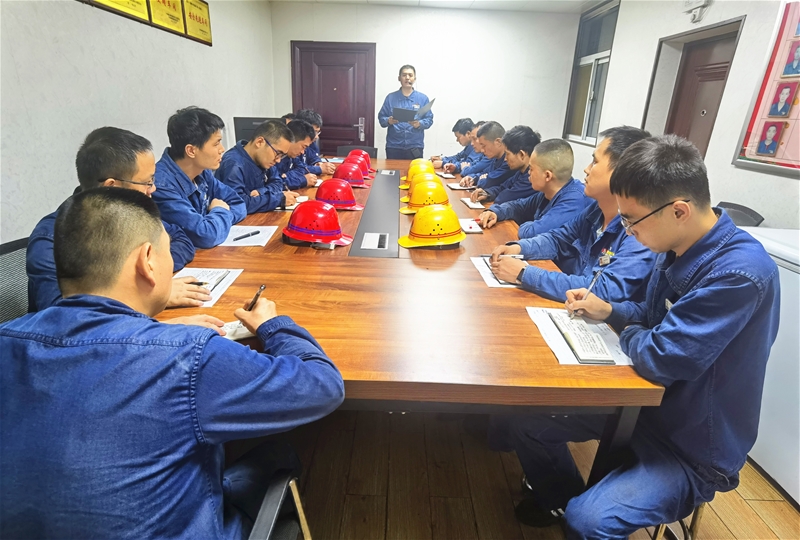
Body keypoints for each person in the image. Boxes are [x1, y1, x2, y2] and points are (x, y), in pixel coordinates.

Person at [1, 188, 345, 538]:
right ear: (148, 260)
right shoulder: (186, 356)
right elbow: (323, 385)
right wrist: (272, 325)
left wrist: (155, 330)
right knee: (277, 454)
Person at [491, 134, 780, 537]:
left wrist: (629, 328)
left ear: (678, 210)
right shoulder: (676, 243)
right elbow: (649, 315)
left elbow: (663, 357)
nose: (627, 232)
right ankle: (564, 499)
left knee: (590, 522)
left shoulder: (737, 274)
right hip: (642, 408)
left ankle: (580, 514)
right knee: (528, 423)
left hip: (690, 443)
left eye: (631, 221)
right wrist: (610, 312)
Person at [26, 127, 215, 317]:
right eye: (147, 182)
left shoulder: (134, 215)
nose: (153, 189)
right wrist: (147, 292)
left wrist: (151, 275)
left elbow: (181, 239)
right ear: (112, 187)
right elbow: (60, 316)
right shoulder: (51, 238)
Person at [490, 126, 656, 302]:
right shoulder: (595, 211)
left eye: (595, 162)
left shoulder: (638, 232)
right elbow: (558, 239)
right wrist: (517, 248)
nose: (586, 169)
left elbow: (602, 290)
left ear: (622, 173)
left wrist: (524, 273)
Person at [152, 107, 247, 249]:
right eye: (216, 143)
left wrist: (216, 220)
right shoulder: (161, 185)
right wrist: (220, 211)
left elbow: (238, 203)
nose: (222, 149)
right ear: (191, 150)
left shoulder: (202, 172)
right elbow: (206, 235)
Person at [478, 138, 592, 239]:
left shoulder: (574, 199)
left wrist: (528, 224)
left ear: (547, 176)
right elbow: (518, 206)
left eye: (531, 169)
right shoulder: (547, 193)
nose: (528, 173)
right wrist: (495, 212)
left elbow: (532, 232)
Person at [216, 120, 298, 214]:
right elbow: (237, 203)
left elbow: (278, 183)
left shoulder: (265, 159)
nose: (278, 160)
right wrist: (278, 199)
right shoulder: (233, 164)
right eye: (278, 153)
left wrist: (262, 192)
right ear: (259, 142)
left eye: (282, 156)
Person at [470, 126, 541, 205]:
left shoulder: (531, 178)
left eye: (507, 154)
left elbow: (503, 198)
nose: (505, 159)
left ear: (521, 154)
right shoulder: (521, 172)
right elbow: (502, 187)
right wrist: (487, 193)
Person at [378, 65, 434, 159]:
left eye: (410, 75)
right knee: (393, 169)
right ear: (399, 78)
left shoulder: (422, 98)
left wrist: (419, 123)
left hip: (415, 146)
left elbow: (429, 119)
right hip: (394, 146)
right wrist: (388, 121)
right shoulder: (390, 98)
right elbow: (381, 118)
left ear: (414, 79)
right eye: (404, 75)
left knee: (415, 168)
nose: (407, 78)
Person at [459, 121, 515, 189]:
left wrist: (482, 179)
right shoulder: (495, 158)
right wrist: (472, 178)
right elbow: (484, 173)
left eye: (484, 146)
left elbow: (487, 183)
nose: (482, 150)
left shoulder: (509, 162)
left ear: (498, 142)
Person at [271, 119, 320, 190]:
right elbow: (274, 184)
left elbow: (302, 169)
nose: (303, 152)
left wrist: (288, 176)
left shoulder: (291, 156)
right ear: (292, 140)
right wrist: (301, 180)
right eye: (303, 147)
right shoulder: (273, 157)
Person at [295, 109, 336, 176]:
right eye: (314, 132)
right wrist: (319, 169)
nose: (316, 136)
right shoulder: (294, 146)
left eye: (318, 132)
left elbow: (313, 156)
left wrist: (317, 163)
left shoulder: (311, 143)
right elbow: (298, 168)